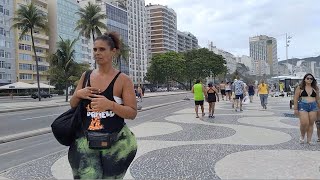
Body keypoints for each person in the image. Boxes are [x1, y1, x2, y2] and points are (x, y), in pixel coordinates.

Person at [69, 32, 138, 179]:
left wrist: (110, 105)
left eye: (102, 49)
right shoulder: (86, 76)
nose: (97, 53)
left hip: (115, 143)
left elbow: (132, 113)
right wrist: (78, 94)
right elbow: (72, 104)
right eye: (95, 49)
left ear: (113, 51)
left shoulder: (123, 80)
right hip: (87, 141)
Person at [293, 73, 319, 144]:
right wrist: (295, 109)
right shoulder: (300, 87)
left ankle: (309, 140)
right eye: (308, 78)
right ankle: (302, 136)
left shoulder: (315, 88)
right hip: (303, 106)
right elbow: (295, 98)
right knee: (304, 123)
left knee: (311, 123)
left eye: (311, 79)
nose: (309, 80)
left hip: (313, 106)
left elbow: (318, 99)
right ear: (304, 79)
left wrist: (319, 108)